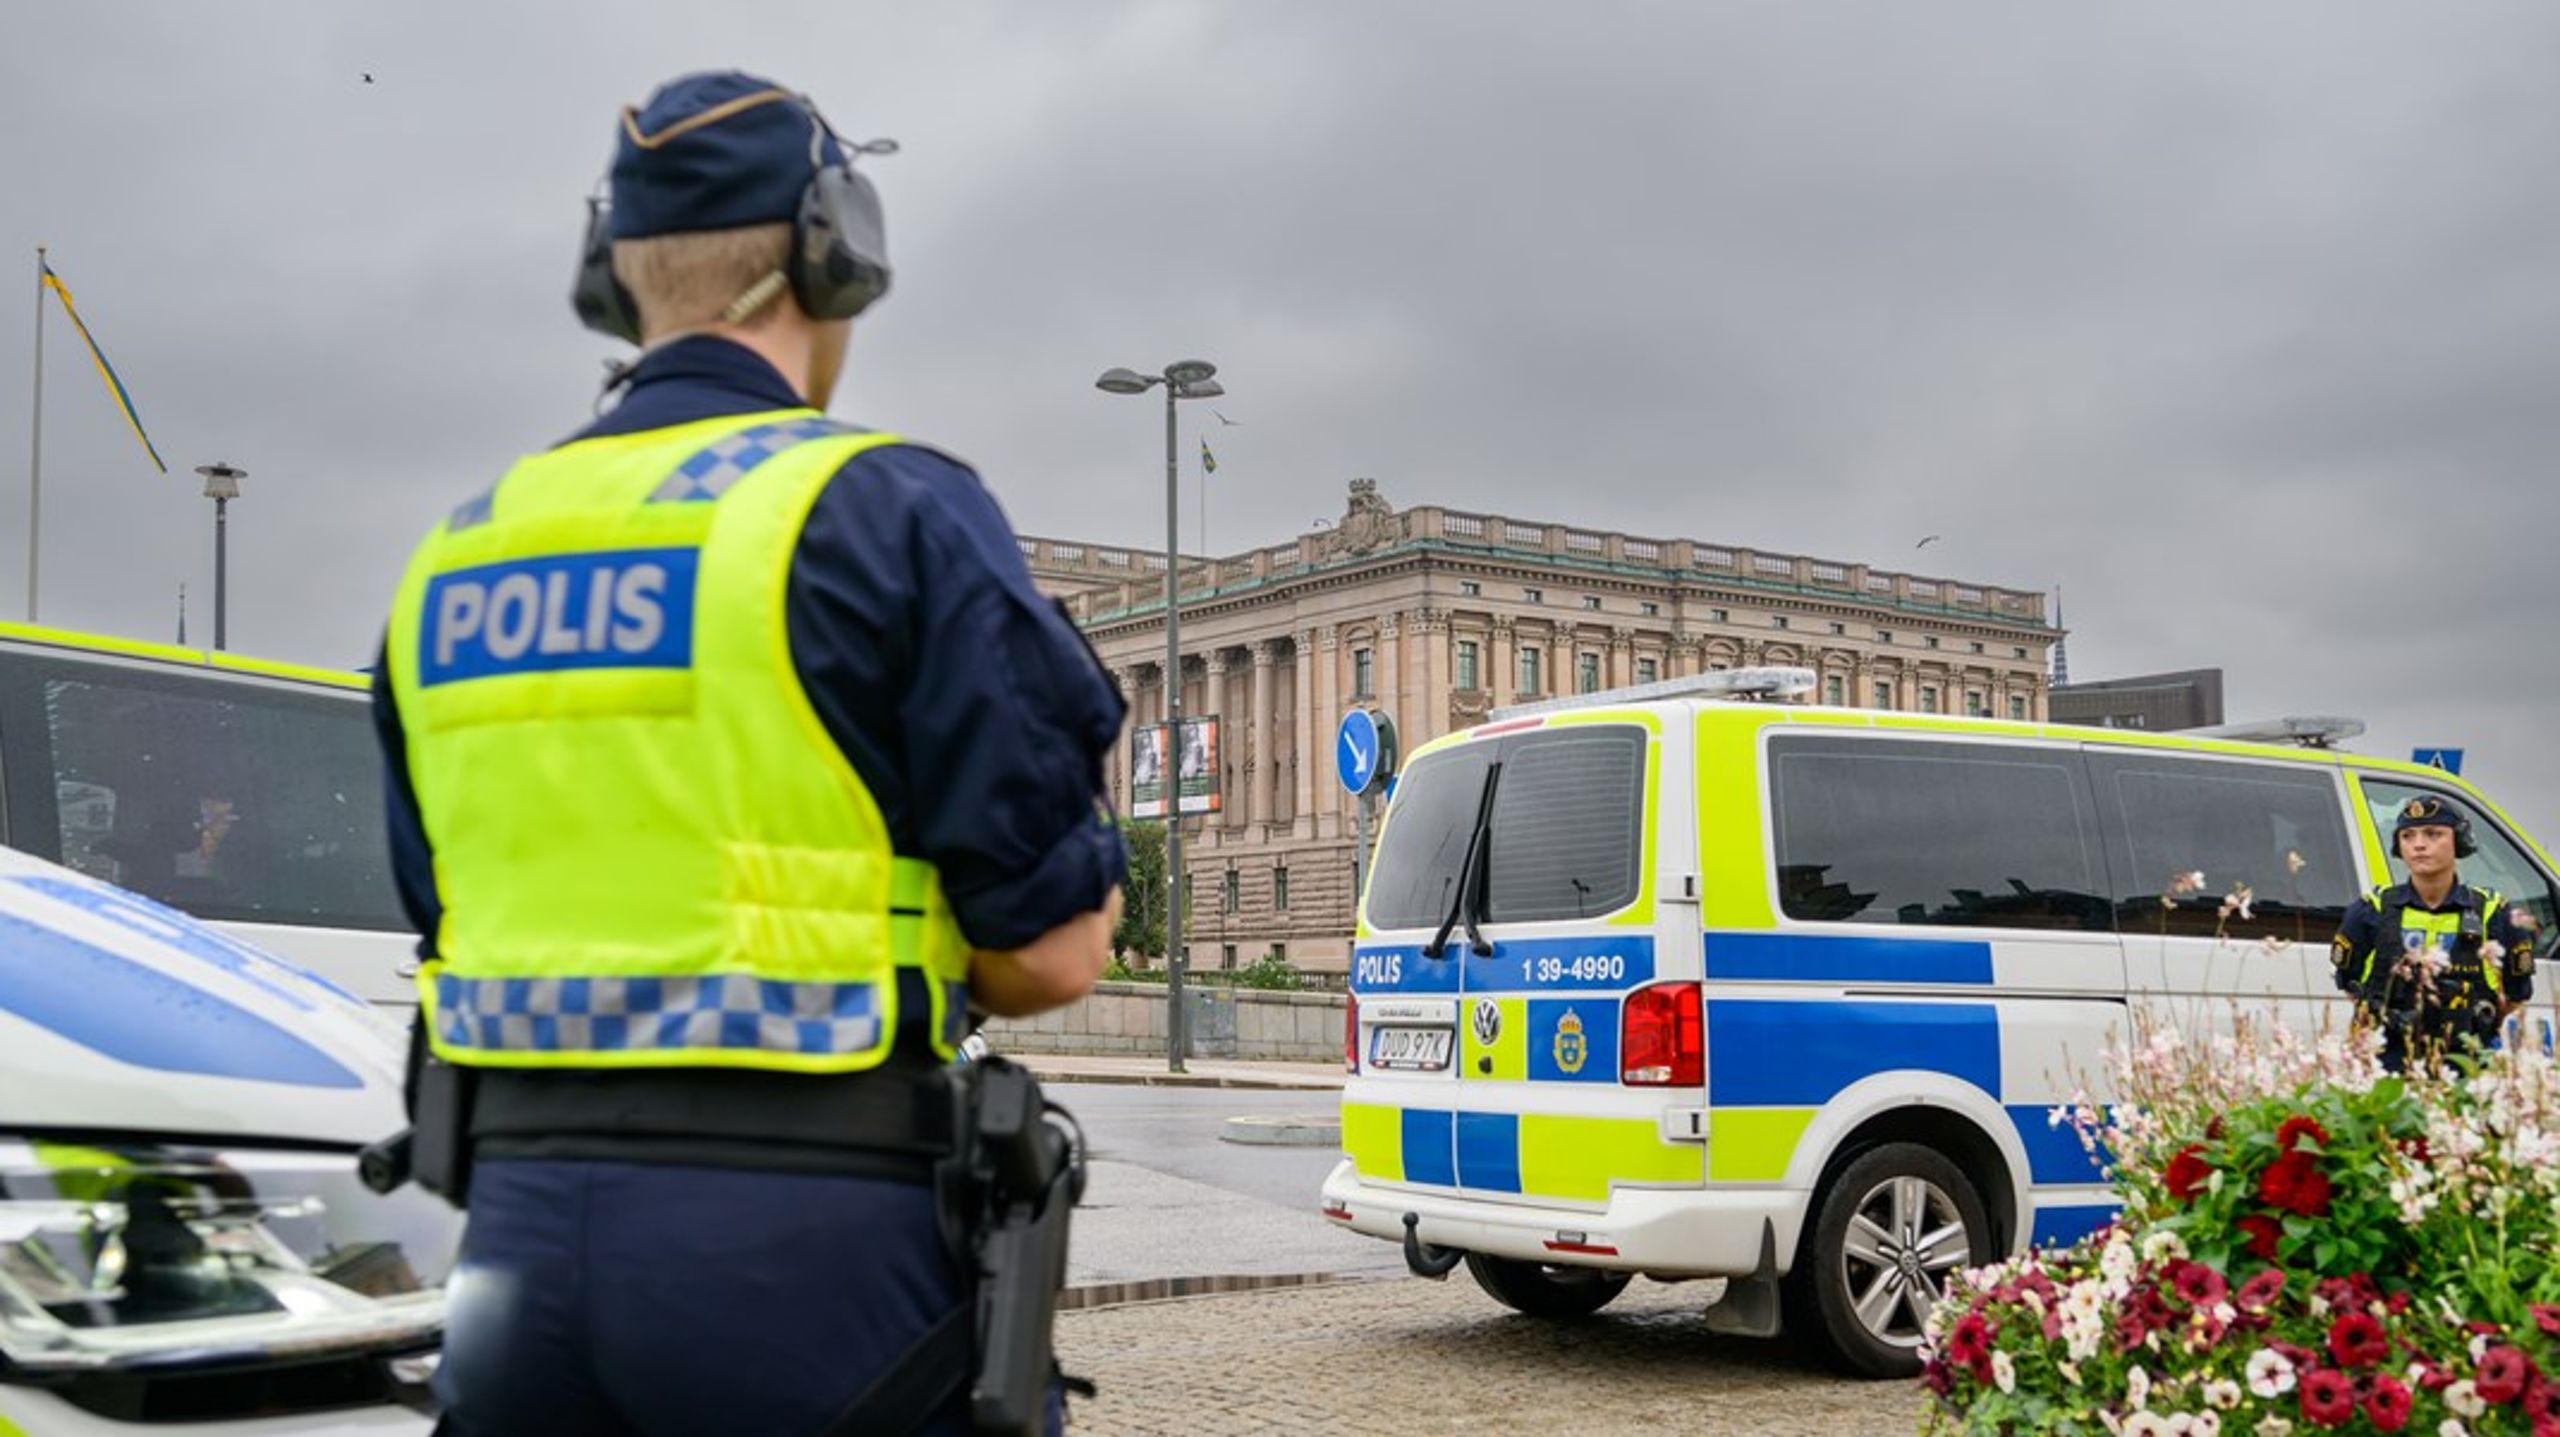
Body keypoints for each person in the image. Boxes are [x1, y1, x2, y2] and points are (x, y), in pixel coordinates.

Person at [370, 71, 1125, 1435]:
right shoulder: (887, 513)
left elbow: (446, 908)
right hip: (811, 1259)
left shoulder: (455, 555)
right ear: (835, 252)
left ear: (611, 275)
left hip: (514, 1251)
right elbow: (1050, 955)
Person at [2330, 795, 2534, 1073]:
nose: (2419, 844)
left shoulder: (2492, 913)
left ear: (2458, 841)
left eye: (2433, 834)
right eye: (2407, 836)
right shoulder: (2370, 911)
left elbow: (2514, 995)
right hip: (2387, 1071)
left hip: (2466, 1073)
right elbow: (2350, 984)